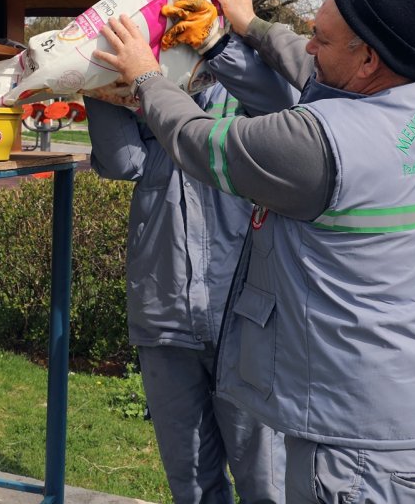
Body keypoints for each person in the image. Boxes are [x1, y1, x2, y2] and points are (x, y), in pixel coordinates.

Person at [92, 0, 415, 503]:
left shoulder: (325, 143)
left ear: (368, 58)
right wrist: (244, 27)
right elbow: (313, 67)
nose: (309, 48)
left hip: (360, 454)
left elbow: (197, 140)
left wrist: (146, 77)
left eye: (320, 38)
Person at [85, 34, 293, 503]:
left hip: (245, 324)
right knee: (192, 484)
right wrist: (95, 80)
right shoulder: (151, 99)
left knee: (266, 482)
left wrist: (222, 50)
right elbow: (122, 162)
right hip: (166, 315)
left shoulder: (249, 100)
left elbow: (286, 108)